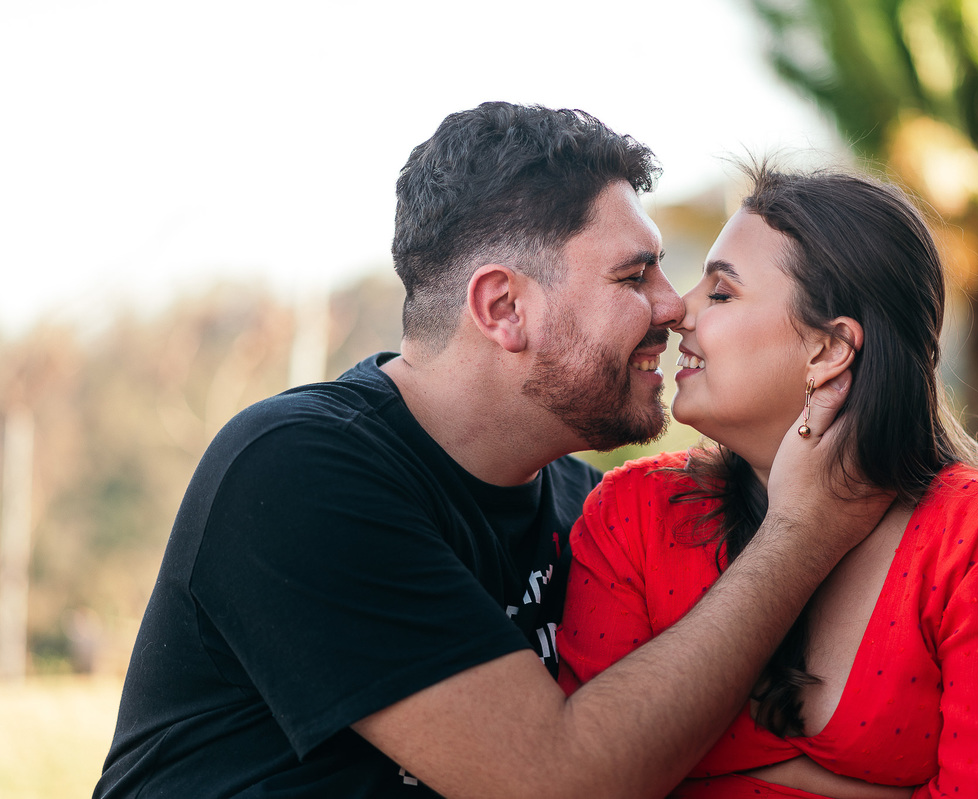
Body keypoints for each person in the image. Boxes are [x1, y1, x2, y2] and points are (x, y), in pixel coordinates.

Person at [94, 104, 890, 799]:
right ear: (504, 307)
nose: (672, 305)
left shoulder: (595, 514)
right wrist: (801, 532)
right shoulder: (295, 472)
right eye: (634, 275)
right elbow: (560, 780)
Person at [558, 164, 978, 797]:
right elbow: (581, 778)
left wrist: (700, 772)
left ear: (829, 351)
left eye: (720, 293)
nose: (676, 311)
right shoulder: (631, 514)